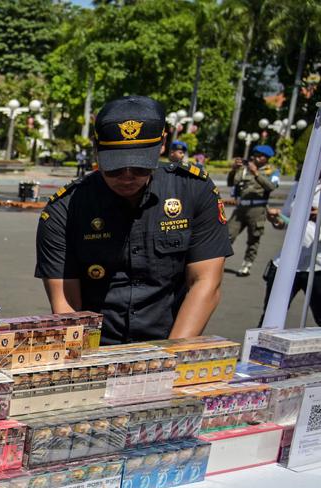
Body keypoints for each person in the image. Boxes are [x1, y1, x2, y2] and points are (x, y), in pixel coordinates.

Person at [35, 95, 232, 345]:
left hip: (172, 341)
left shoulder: (194, 191)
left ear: (162, 145)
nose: (127, 177)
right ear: (97, 149)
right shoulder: (64, 208)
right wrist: (87, 363)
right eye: (115, 167)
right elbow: (65, 304)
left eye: (140, 167)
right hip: (97, 347)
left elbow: (206, 282)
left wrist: (168, 358)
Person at [262, 182, 321, 324]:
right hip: (286, 263)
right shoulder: (301, 184)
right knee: (269, 320)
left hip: (317, 266)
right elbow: (286, 220)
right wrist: (276, 219)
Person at [227, 144, 281, 277]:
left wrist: (256, 173)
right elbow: (231, 183)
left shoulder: (272, 171)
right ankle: (217, 260)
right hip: (241, 207)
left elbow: (271, 187)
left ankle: (247, 264)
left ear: (267, 158)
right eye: (255, 155)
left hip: (258, 208)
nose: (256, 158)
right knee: (227, 234)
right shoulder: (245, 169)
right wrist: (234, 170)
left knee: (254, 238)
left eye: (260, 156)